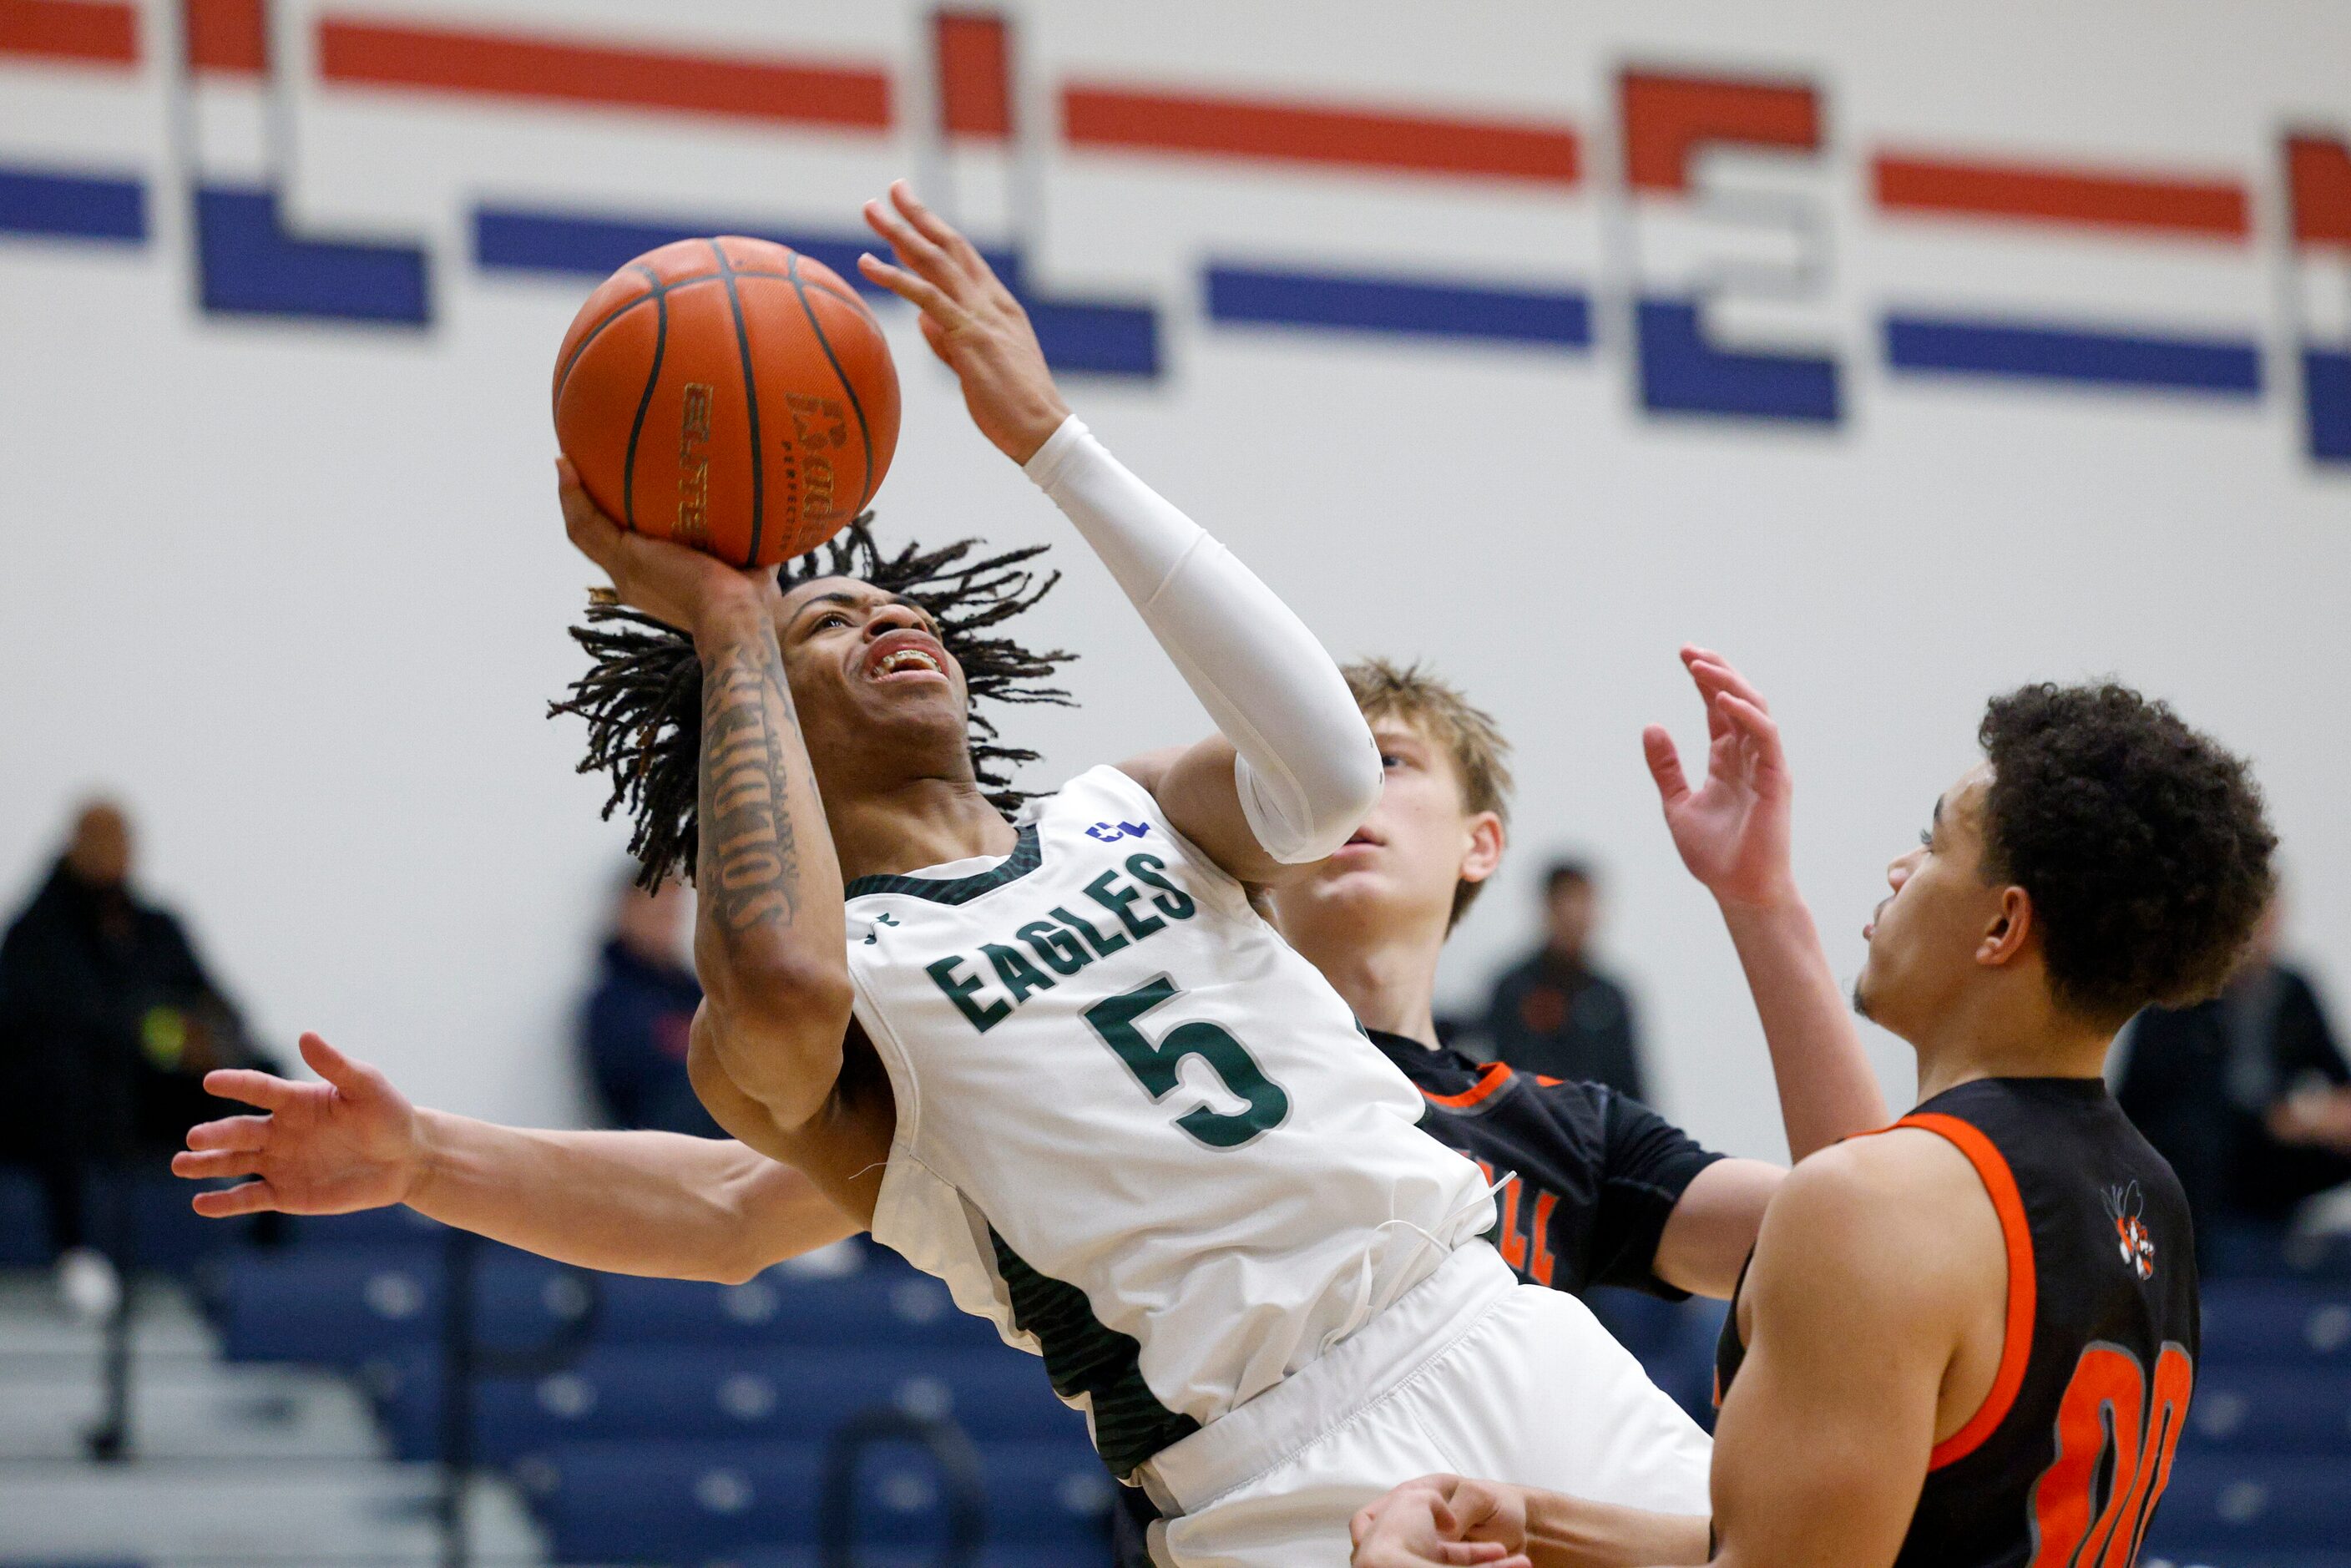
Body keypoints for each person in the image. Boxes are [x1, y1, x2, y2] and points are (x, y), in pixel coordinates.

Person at [176, 180, 1712, 1566]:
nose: (879, 619)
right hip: (1269, 1474)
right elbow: (737, 1154)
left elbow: (1320, 775)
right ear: (758, 729)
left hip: (1491, 1323)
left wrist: (1055, 438)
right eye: (823, 627)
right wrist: (726, 625)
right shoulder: (827, 1000)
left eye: (889, 604)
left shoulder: (1132, 808)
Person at [1351, 678, 2277, 1568]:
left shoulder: (1870, 1203)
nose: (1898, 868)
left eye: (1931, 844)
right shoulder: (2152, 1198)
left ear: (2001, 927)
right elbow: (1833, 1541)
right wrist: (1533, 1524)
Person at [0, 800, 265, 1318]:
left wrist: (206, 1040)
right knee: (62, 1076)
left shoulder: (156, 927)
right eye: (96, 838)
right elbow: (42, 1024)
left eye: (120, 839)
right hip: (58, 1112)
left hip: (145, 1099)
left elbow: (219, 1009)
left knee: (261, 1076)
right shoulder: (37, 934)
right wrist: (156, 1032)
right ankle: (76, 1254)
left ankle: (268, 1244)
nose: (110, 852)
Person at [2116, 893, 2351, 1252]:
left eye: (2269, 917)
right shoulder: (2180, 993)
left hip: (2273, 1154)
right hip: (2197, 1156)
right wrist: (2269, 1115)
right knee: (2195, 1136)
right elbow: (2139, 1098)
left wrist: (2324, 1116)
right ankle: (2195, 1273)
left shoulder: (2293, 991)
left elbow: (2337, 1076)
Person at [1479, 862, 1647, 1099]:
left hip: (1596, 1134)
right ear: (1549, 908)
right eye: (1568, 903)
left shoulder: (1610, 997)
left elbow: (1633, 1089)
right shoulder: (1514, 989)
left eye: (1584, 904)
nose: (1577, 918)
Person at [579, 873, 718, 1137]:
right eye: (658, 909)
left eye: (672, 911)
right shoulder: (612, 1006)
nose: (668, 921)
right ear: (627, 910)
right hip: (658, 1150)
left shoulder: (696, 994)